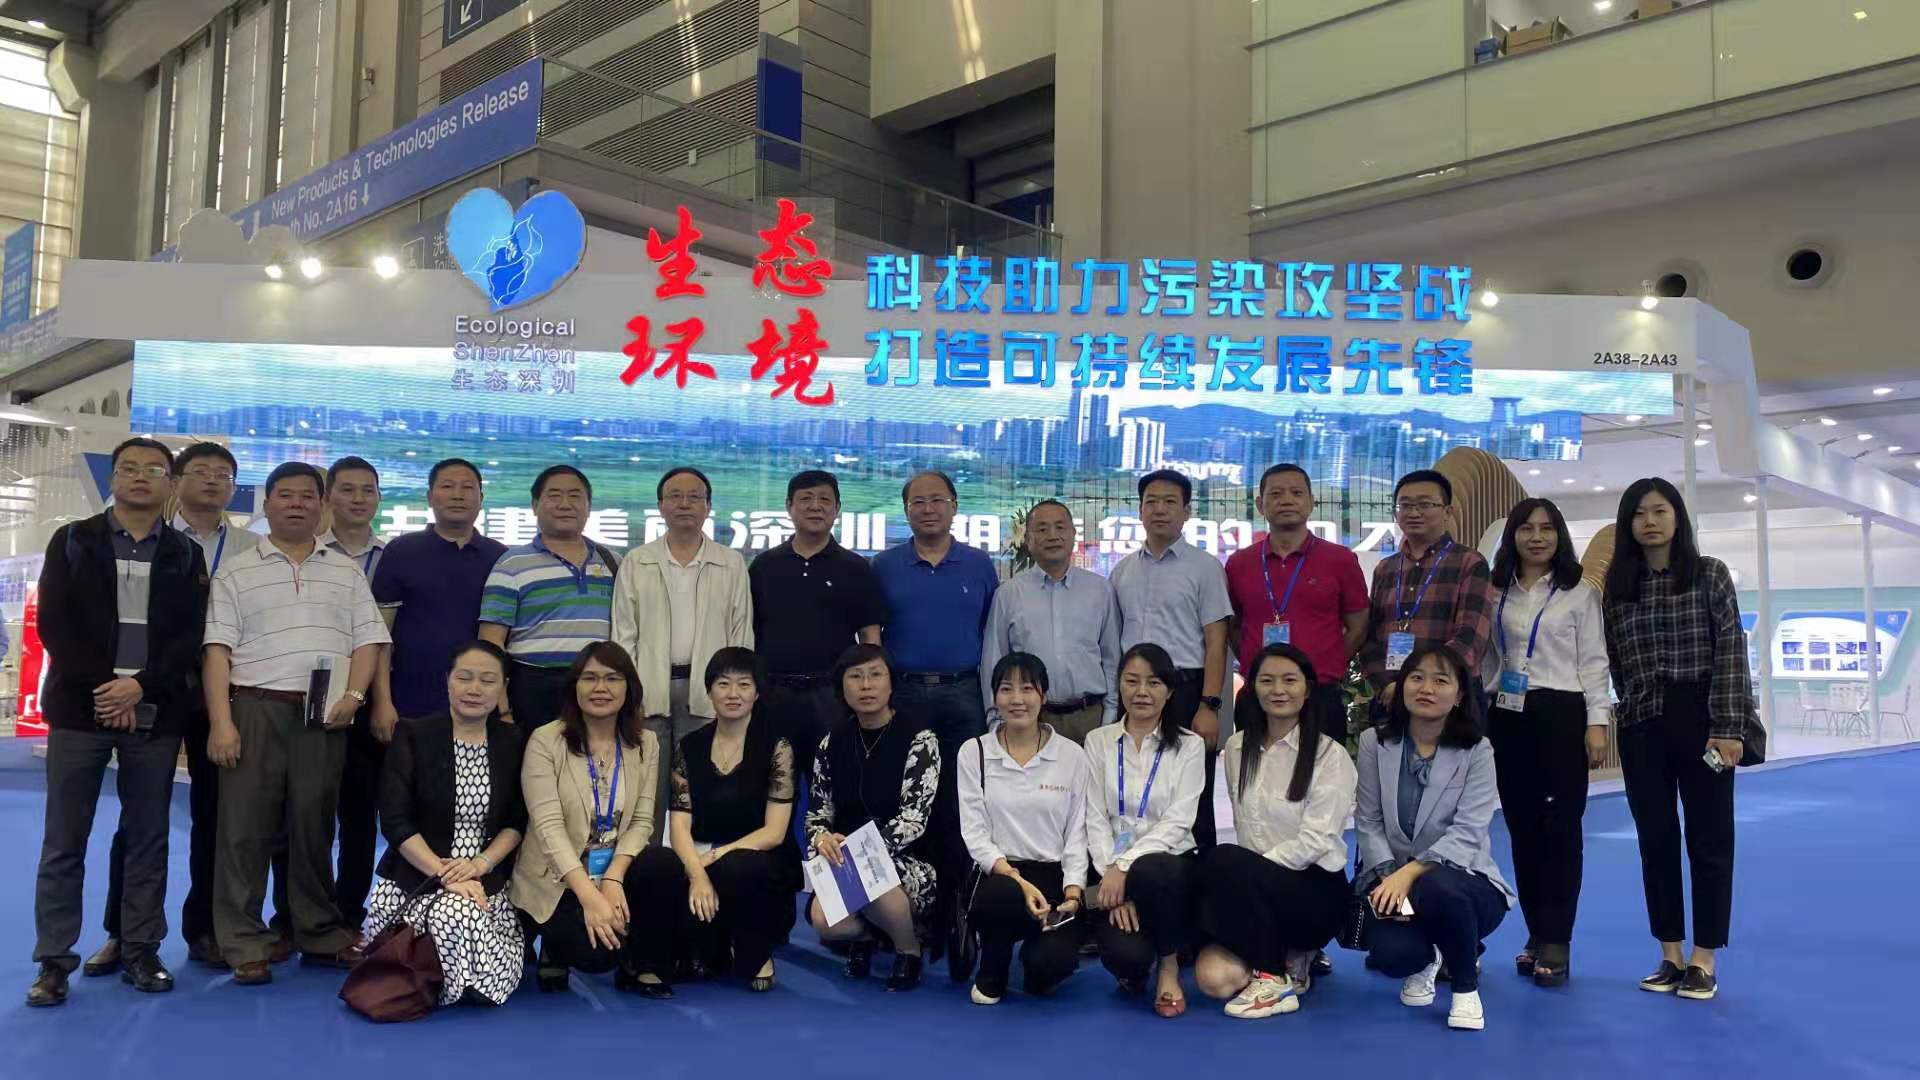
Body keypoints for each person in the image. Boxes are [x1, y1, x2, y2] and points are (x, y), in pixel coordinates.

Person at [27, 439, 209, 1007]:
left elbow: (188, 636)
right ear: (113, 478)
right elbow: (55, 624)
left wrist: (141, 685)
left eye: (153, 470)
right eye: (128, 468)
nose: (139, 477)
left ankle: (140, 949)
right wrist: (107, 687)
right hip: (80, 708)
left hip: (155, 709)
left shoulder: (184, 552)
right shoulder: (73, 540)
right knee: (64, 840)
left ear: (169, 484)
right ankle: (54, 960)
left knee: (148, 837)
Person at [204, 462, 391, 986]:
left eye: (307, 496)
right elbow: (216, 650)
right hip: (254, 708)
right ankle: (243, 941)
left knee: (314, 826)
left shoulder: (345, 571)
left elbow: (368, 640)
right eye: (285, 495)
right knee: (244, 831)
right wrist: (222, 723)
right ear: (266, 504)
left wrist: (355, 696)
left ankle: (318, 931)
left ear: (321, 505)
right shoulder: (237, 570)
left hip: (324, 715)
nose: (296, 504)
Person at [94, 442, 263, 975]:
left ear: (234, 487)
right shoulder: (155, 539)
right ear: (177, 480)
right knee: (139, 817)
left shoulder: (252, 549)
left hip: (226, 695)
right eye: (201, 471)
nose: (213, 481)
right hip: (159, 689)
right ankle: (123, 933)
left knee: (216, 817)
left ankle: (206, 930)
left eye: (224, 474)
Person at [1603, 478, 1749, 1002]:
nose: (1649, 521)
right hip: (1642, 724)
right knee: (1655, 841)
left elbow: (1731, 649)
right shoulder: (1619, 587)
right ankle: (1670, 953)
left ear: (1677, 517)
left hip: (1703, 719)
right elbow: (1615, 659)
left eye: (1659, 511)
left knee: (1710, 839)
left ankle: (1704, 958)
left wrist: (1728, 726)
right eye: (1638, 513)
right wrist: (1627, 708)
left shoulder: (1710, 574)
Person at [1483, 498, 1612, 987]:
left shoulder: (1579, 592)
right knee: (1522, 830)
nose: (1536, 537)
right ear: (1512, 535)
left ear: (1559, 535)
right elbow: (1489, 658)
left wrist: (1597, 721)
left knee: (1561, 831)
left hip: (1562, 712)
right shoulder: (1495, 591)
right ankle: (1536, 931)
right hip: (1507, 715)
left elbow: (1594, 660)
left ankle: (1558, 939)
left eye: (1546, 528)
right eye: (1526, 528)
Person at [1353, 645, 1514, 1032]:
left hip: (1466, 883)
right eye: (1416, 677)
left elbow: (1468, 831)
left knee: (1438, 885)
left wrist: (1408, 874)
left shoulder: (1477, 750)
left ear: (1458, 696)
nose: (1426, 688)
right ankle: (1433, 952)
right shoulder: (1375, 743)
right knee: (1392, 956)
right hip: (1392, 877)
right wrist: (1389, 876)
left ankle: (1465, 988)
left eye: (1440, 680)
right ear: (1402, 686)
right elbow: (1368, 821)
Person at [1195, 644, 1356, 1020]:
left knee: (1222, 860)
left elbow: (1317, 841)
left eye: (1289, 680)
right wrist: (1248, 879)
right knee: (1212, 979)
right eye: (1266, 681)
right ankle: (1289, 959)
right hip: (1256, 892)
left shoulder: (1329, 755)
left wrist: (1250, 873)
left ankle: (1274, 977)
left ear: (1307, 688)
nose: (1278, 690)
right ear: (1252, 688)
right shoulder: (1237, 748)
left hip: (1314, 893)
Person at [513, 642, 683, 996]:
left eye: (612, 678)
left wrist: (615, 877)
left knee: (663, 863)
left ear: (629, 688)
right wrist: (591, 897)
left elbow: (642, 821)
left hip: (610, 870)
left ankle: (645, 966)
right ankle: (554, 947)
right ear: (574, 686)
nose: (600, 688)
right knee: (597, 955)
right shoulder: (546, 741)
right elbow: (548, 829)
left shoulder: (646, 743)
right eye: (589, 678)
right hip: (560, 876)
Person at [364, 640, 527, 1007]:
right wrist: (445, 874)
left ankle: (447, 983)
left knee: (459, 910)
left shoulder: (514, 741)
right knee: (450, 909)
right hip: (416, 876)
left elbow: (517, 820)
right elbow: (395, 820)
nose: (474, 689)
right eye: (464, 678)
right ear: (447, 680)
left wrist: (481, 864)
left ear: (503, 688)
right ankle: (450, 983)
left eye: (487, 680)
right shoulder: (413, 734)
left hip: (483, 878)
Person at [640, 647, 801, 991]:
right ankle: (666, 959)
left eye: (744, 684)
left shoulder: (777, 746)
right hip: (701, 862)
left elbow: (774, 833)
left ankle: (755, 952)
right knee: (656, 863)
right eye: (723, 684)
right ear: (709, 691)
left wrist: (715, 857)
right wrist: (697, 872)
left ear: (757, 693)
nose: (733, 693)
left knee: (741, 865)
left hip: (758, 866)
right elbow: (679, 824)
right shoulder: (690, 747)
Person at [612, 466, 754, 842]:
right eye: (675, 496)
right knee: (646, 789)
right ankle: (645, 865)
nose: (684, 504)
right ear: (661, 505)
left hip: (708, 692)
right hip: (649, 689)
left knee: (702, 786)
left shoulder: (730, 562)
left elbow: (741, 634)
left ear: (708, 507)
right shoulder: (637, 560)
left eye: (694, 497)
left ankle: (699, 867)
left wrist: (735, 691)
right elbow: (624, 636)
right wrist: (629, 693)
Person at [958, 653, 1094, 1006]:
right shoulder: (974, 752)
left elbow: (1077, 834)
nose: (1017, 699)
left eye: (1027, 689)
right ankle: (993, 966)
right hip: (1000, 875)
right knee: (1000, 896)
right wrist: (1017, 880)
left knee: (1049, 966)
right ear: (994, 697)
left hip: (1054, 877)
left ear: (1043, 696)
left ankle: (1038, 957)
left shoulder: (1072, 756)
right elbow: (975, 833)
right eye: (1006, 689)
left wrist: (1073, 895)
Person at [805, 644, 941, 991]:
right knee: (823, 920)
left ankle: (908, 949)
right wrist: (822, 839)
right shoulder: (830, 743)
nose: (866, 685)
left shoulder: (920, 739)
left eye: (875, 675)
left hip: (907, 859)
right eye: (856, 677)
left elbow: (914, 818)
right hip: (846, 858)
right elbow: (818, 813)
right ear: (842, 687)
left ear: (891, 684)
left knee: (875, 879)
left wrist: (861, 849)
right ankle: (869, 938)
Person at [1108, 469, 1232, 848]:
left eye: (1169, 502)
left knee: (1193, 795)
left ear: (1186, 511)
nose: (1159, 510)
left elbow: (1217, 642)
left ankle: (1200, 877)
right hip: (1135, 694)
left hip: (1186, 692)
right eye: (1151, 502)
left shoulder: (1205, 567)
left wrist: (1209, 706)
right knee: (1132, 790)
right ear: (1140, 510)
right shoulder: (1123, 570)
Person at [1083, 643, 1205, 1016]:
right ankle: (1139, 962)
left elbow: (1179, 821)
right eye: (1132, 681)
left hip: (1171, 868)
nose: (1141, 692)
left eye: (1154, 683)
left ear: (1169, 691)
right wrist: (1111, 872)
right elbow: (1094, 816)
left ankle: (1168, 964)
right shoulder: (1098, 741)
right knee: (1126, 958)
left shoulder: (1190, 745)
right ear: (1118, 684)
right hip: (1112, 871)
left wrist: (1125, 867)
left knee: (1154, 868)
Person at [748, 470, 885, 788]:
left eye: (824, 499)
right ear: (789, 506)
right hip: (774, 696)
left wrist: (870, 690)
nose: (815, 506)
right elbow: (749, 633)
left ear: (837, 509)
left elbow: (870, 638)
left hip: (832, 698)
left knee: (836, 786)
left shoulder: (855, 568)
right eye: (806, 499)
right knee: (772, 786)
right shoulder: (765, 566)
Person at [370, 459, 508, 735]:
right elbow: (380, 637)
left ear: (481, 499)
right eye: (447, 486)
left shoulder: (501, 557)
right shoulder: (401, 551)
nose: (457, 495)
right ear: (430, 497)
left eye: (467, 488)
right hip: (409, 699)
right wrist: (382, 702)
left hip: (479, 703)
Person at [1224, 464, 1368, 730]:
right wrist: (1255, 664)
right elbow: (1233, 626)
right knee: (1252, 759)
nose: (1287, 500)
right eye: (1276, 493)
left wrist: (1328, 663)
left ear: (1312, 502)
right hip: (1259, 694)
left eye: (1296, 493)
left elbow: (1358, 625)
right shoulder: (1239, 563)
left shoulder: (1340, 559)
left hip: (1319, 693)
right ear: (1260, 505)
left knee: (1321, 759)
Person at [481, 466, 620, 730]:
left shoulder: (613, 562)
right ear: (535, 505)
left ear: (589, 507)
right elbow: (491, 640)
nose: (565, 504)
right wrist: (501, 704)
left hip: (599, 687)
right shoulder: (511, 563)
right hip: (532, 689)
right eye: (554, 495)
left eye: (575, 496)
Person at [316, 456, 390, 931]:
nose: (358, 499)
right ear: (328, 498)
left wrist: (377, 699)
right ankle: (300, 915)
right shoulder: (309, 552)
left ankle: (348, 914)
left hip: (374, 698)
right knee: (308, 813)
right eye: (347, 489)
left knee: (361, 816)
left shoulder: (394, 558)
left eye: (368, 490)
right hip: (313, 693)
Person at [980, 499, 1121, 744]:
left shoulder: (1100, 590)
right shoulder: (1008, 594)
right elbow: (994, 659)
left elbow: (1112, 658)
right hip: (1030, 717)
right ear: (1028, 539)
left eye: (1060, 527)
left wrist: (1109, 714)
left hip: (1089, 717)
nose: (1052, 535)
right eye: (1042, 529)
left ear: (1074, 534)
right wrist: (996, 720)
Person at [1359, 470, 1495, 711]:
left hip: (1451, 700)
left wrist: (1426, 685)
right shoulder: (1386, 568)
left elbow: (1471, 636)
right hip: (1391, 697)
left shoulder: (1469, 563)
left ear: (1447, 512)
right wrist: (1387, 685)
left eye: (1425, 504)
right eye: (1405, 505)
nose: (1413, 513)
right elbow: (1370, 637)